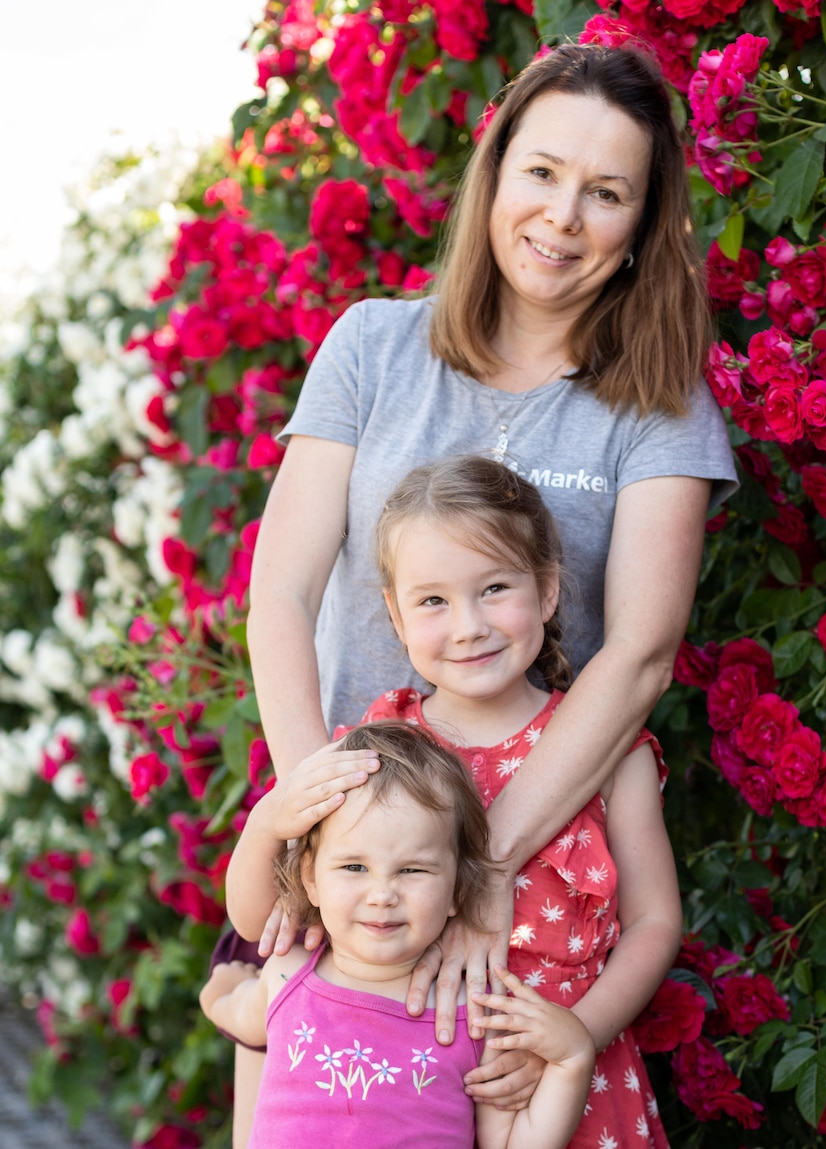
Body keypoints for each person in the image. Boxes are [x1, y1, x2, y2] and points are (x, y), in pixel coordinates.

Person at [229, 39, 738, 1144]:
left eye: (607, 193)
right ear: (495, 173)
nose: (562, 217)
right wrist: (315, 822)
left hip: (527, 865)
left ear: (644, 221)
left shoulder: (658, 402)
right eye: (542, 173)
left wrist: (480, 869)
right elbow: (280, 592)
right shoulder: (373, 346)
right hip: (351, 865)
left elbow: (642, 651)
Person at [226, 455, 682, 1146]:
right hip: (405, 1094)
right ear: (395, 614)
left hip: (567, 1082)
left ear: (548, 589)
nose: (468, 625)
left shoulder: (607, 752)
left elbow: (654, 922)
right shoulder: (377, 751)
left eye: (495, 587)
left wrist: (572, 1039)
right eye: (433, 600)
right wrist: (268, 824)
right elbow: (272, 917)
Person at [202, 721, 595, 1149]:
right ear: (310, 878)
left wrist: (573, 1060)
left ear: (457, 890)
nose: (383, 894)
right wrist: (221, 990)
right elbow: (237, 1013)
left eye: (412, 870)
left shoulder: (475, 1016)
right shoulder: (284, 977)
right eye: (354, 867)